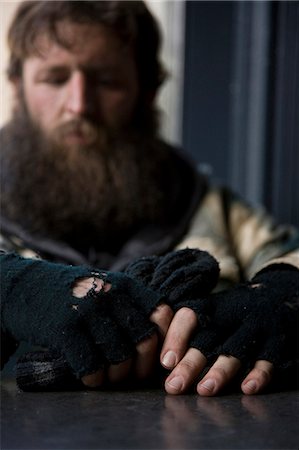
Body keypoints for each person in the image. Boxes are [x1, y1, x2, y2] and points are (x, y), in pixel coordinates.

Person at [1, 0, 298, 396]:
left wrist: (282, 296)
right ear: (18, 85)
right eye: (54, 79)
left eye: (106, 80)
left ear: (147, 89)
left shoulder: (210, 207)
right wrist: (13, 286)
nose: (79, 105)